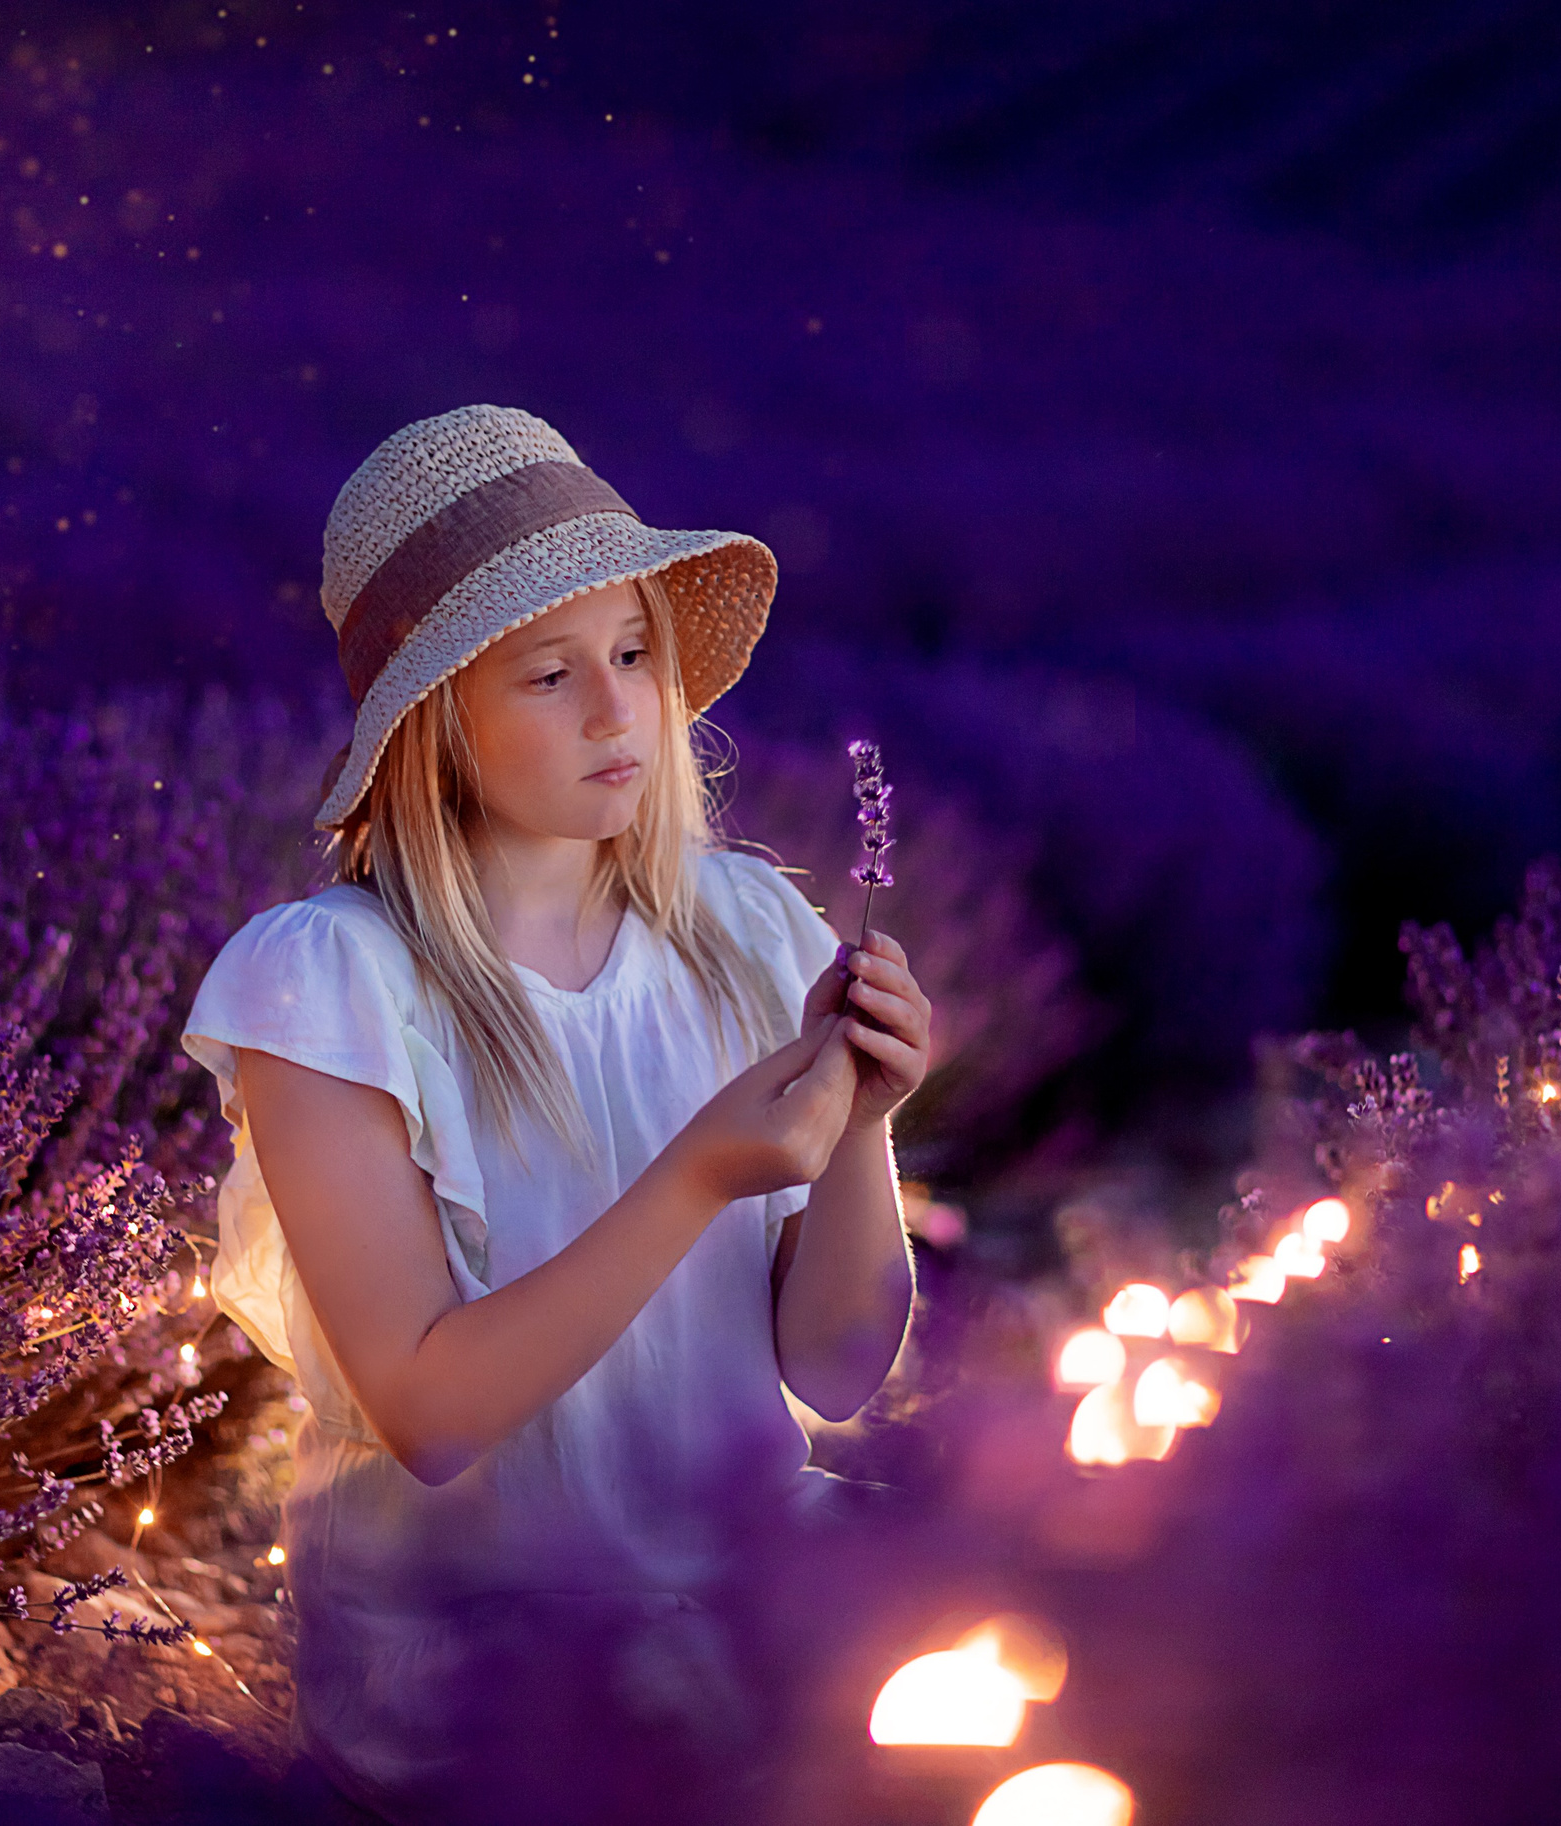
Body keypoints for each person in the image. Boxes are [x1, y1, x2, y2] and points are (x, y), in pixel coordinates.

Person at [181, 405, 927, 1821]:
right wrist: (698, 1175)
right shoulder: (333, 984)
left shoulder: (747, 929)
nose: (616, 710)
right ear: (433, 719)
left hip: (743, 1571)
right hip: (484, 1641)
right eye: (547, 674)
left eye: (635, 654)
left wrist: (867, 1129)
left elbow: (834, 1368)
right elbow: (434, 1410)